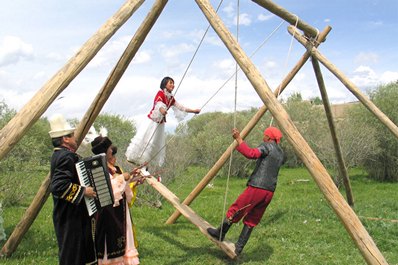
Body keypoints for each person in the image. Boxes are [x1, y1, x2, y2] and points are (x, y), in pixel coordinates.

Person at [207, 126, 284, 256]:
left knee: (237, 209)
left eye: (264, 135)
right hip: (269, 191)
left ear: (269, 138)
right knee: (253, 219)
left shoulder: (267, 146)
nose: (263, 137)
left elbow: (251, 154)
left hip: (257, 187)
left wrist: (239, 139)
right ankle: (239, 248)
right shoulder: (281, 153)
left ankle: (220, 233)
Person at [48, 114, 97, 265]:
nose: (76, 138)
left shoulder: (60, 155)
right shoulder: (65, 157)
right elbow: (58, 186)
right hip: (70, 217)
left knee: (76, 253)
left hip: (71, 215)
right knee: (73, 255)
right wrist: (84, 191)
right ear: (65, 139)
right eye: (73, 136)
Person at [125, 76, 201, 169]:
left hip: (160, 124)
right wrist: (162, 111)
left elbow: (181, 107)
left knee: (154, 143)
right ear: (165, 84)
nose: (173, 85)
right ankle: (133, 157)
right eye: (170, 83)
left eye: (173, 83)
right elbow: (158, 103)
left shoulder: (171, 98)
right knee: (145, 139)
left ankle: (144, 162)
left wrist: (194, 111)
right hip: (152, 122)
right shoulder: (160, 93)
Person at [91, 135, 142, 265]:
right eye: (109, 148)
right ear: (105, 150)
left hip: (120, 210)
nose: (110, 151)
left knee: (123, 239)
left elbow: (118, 185)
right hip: (108, 213)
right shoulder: (97, 166)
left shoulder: (112, 168)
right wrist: (123, 178)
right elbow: (106, 189)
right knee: (112, 242)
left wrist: (130, 177)